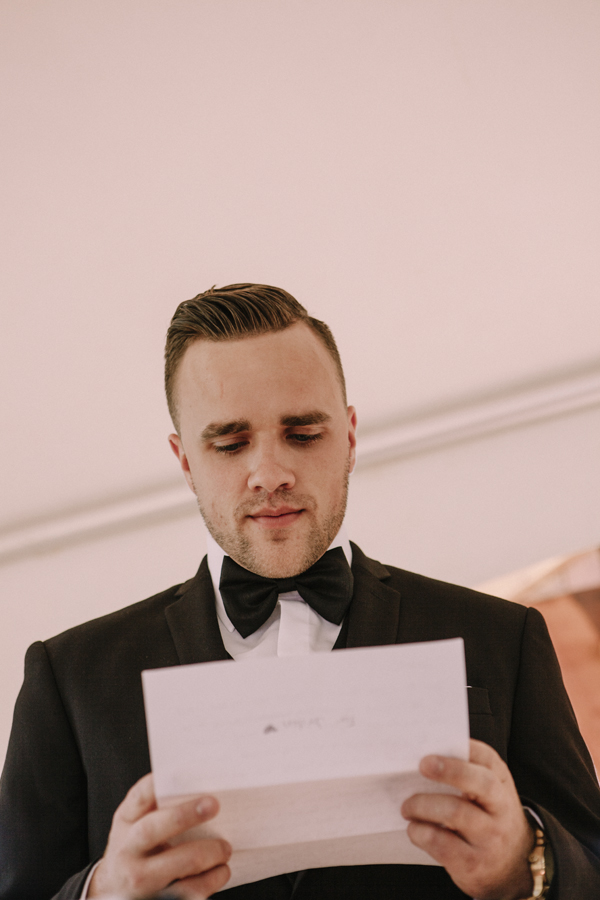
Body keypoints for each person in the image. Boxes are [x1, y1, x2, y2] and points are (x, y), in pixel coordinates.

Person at [1, 283, 599, 900]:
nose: (270, 474)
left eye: (304, 433)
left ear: (350, 437)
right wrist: (102, 891)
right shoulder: (69, 678)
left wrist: (525, 863)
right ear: (185, 462)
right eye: (230, 444)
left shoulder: (504, 637)